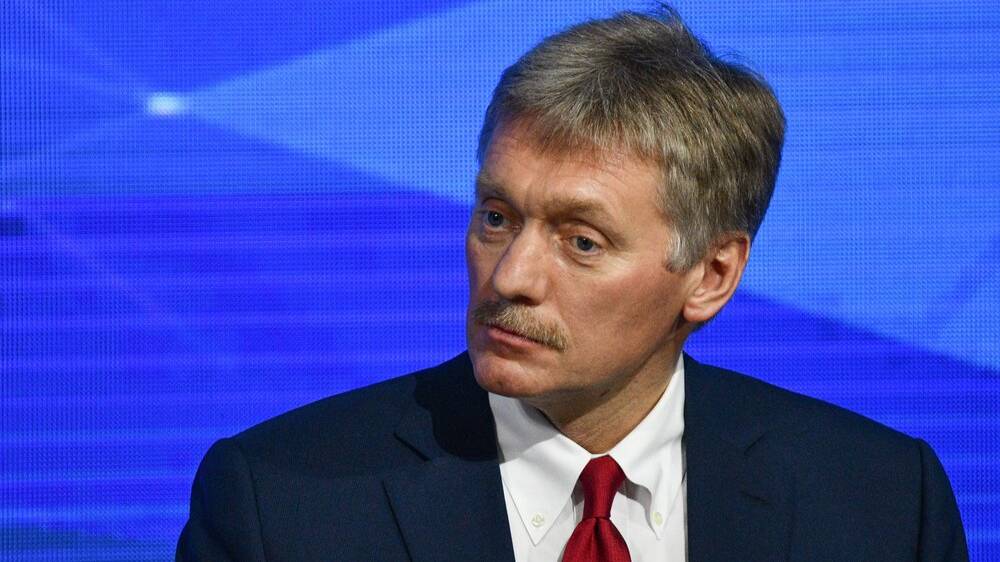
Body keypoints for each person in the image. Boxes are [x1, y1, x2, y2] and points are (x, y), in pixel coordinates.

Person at [177, 6, 967, 561]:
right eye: (496, 217)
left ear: (711, 275)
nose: (511, 276)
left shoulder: (882, 503)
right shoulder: (280, 503)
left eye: (581, 241)